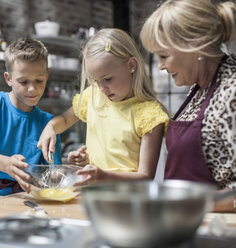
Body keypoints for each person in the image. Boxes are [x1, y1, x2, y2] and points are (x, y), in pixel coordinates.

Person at [37, 28, 169, 185]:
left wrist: (102, 176)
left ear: (131, 65)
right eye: (96, 80)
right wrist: (50, 128)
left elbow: (145, 175)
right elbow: (65, 120)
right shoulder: (92, 97)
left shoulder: (150, 114)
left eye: (108, 79)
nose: (101, 88)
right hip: (93, 195)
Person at [140, 0, 236, 212]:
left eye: (164, 56)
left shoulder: (231, 91)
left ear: (196, 45)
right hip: (185, 224)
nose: (162, 66)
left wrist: (184, 202)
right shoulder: (199, 88)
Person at [0, 38, 62, 195]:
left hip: (23, 196)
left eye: (39, 80)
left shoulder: (48, 123)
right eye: (23, 82)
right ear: (8, 79)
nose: (32, 88)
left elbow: (52, 174)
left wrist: (67, 168)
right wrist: (5, 164)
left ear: (47, 76)